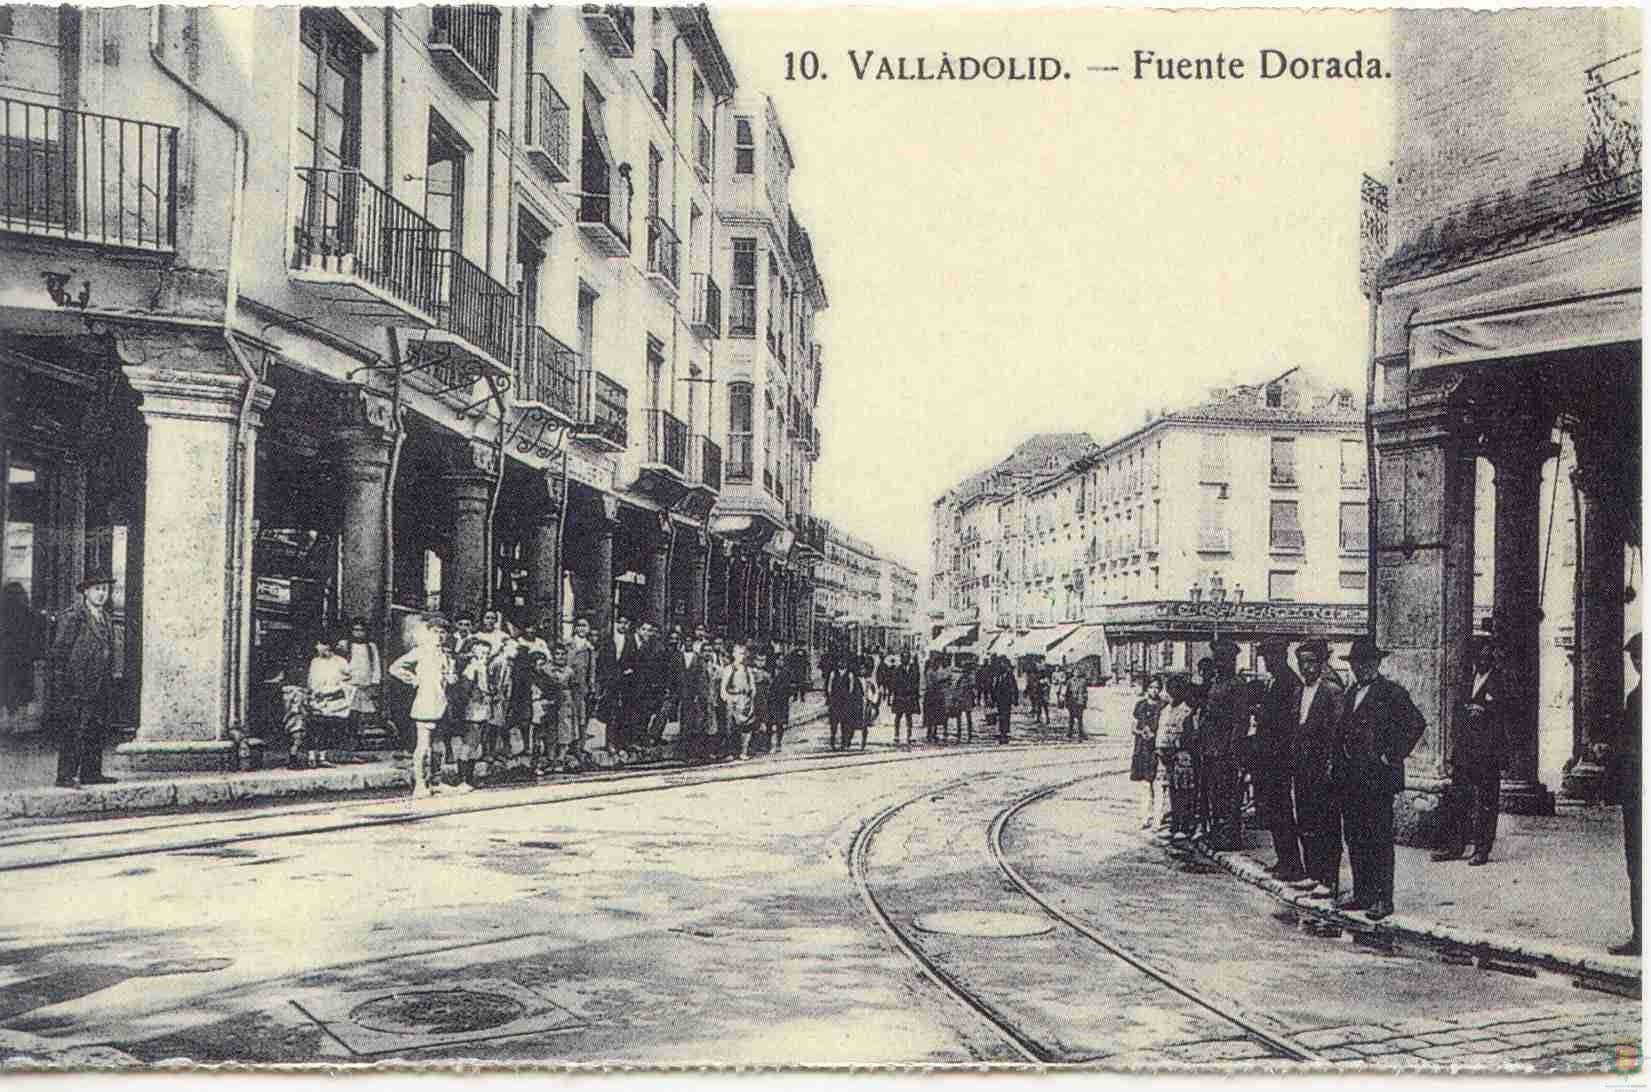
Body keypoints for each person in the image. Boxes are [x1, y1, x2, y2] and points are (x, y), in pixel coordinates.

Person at [1333, 637, 1428, 921]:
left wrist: (1392, 755)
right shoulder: (1350, 693)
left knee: (1379, 838)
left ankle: (1382, 899)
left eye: (1367, 663)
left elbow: (1416, 723)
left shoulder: (1392, 693)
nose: (1362, 668)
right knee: (1355, 836)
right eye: (1357, 664)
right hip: (1351, 778)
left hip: (1377, 778)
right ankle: (1362, 892)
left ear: (1377, 664)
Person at [1432, 630, 1507, 867]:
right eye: (1478, 656)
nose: (1482, 660)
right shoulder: (1467, 680)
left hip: (1488, 753)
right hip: (1465, 752)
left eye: (1487, 655)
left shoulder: (1501, 681)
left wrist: (1487, 712)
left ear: (1493, 657)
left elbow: (1512, 715)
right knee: (1459, 800)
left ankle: (1482, 849)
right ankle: (1455, 846)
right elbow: (1456, 714)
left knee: (1486, 801)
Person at [49, 569, 119, 788]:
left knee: (95, 728)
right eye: (97, 589)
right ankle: (66, 776)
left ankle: (91, 772)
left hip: (100, 685)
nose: (101, 594)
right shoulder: (73, 616)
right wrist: (62, 686)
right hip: (77, 685)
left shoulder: (105, 618)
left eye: (105, 590)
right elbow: (59, 653)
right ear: (86, 591)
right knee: (74, 729)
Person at [1287, 639, 1346, 901]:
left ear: (1322, 663)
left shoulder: (1331, 691)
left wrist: (1330, 764)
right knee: (1306, 819)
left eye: (1311, 662)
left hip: (1322, 767)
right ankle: (1313, 872)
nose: (1306, 668)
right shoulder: (1300, 691)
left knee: (1326, 823)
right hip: (1302, 765)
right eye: (1302, 663)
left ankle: (1328, 878)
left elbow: (1336, 732)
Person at [1254, 638, 1306, 882]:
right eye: (1265, 658)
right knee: (1274, 809)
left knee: (1282, 809)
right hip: (1269, 755)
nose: (1266, 662)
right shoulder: (1276, 680)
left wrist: (1264, 715)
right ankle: (1283, 859)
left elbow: (1289, 722)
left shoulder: (1289, 681)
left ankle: (1292, 864)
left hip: (1280, 756)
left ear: (1281, 656)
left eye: (1269, 657)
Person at [389, 614, 457, 798]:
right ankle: (420, 784)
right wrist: (413, 679)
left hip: (442, 703)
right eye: (436, 632)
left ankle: (436, 782)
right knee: (423, 746)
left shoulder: (446, 654)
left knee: (439, 746)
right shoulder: (420, 651)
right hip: (425, 702)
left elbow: (449, 675)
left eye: (443, 632)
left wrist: (451, 678)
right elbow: (395, 667)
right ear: (428, 633)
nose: (440, 636)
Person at [1606, 633, 1642, 956]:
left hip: (1638, 796)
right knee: (1637, 863)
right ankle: (1640, 933)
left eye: (1640, 658)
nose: (1639, 663)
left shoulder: (1636, 700)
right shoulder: (1634, 698)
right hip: (1636, 796)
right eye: (1635, 659)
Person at [1198, 639, 1251, 850]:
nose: (1219, 663)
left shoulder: (1237, 684)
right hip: (1211, 747)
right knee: (1215, 793)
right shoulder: (1217, 682)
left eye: (1223, 659)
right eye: (1217, 659)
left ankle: (1230, 836)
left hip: (1226, 749)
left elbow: (1241, 720)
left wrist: (1234, 749)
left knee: (1228, 794)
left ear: (1232, 660)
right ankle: (1218, 832)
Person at [1156, 674, 1199, 844]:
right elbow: (1161, 732)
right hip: (1168, 756)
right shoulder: (1166, 710)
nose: (1171, 694)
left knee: (1185, 791)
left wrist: (1178, 748)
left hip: (1182, 756)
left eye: (1175, 690)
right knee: (1173, 791)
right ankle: (1174, 824)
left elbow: (1191, 735)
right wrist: (1160, 749)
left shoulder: (1186, 711)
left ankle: (1184, 826)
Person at [305, 636, 353, 765]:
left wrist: (335, 690)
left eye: (320, 644)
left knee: (327, 727)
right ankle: (311, 756)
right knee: (313, 726)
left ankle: (322, 757)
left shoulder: (340, 662)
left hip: (333, 699)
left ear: (328, 646)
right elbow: (311, 681)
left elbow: (349, 680)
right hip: (317, 698)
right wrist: (314, 693)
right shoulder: (315, 661)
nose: (317, 647)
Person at [2, 581, 46, 715]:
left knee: (8, 686)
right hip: (23, 656)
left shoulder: (3, 612)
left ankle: (9, 715)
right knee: (23, 687)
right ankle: (20, 719)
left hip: (6, 656)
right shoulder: (28, 611)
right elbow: (39, 623)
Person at [338, 617, 383, 751]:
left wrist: (375, 681)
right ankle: (346, 739)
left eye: (362, 630)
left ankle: (358, 739)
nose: (358, 633)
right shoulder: (345, 644)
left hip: (364, 684)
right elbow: (338, 662)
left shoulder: (371, 647)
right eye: (356, 630)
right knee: (347, 712)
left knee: (360, 715)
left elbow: (376, 664)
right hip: (348, 684)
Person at [594, 615, 635, 757]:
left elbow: (633, 660)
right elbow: (601, 661)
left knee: (623, 713)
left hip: (625, 682)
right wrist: (603, 679)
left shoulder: (630, 640)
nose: (623, 625)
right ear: (615, 623)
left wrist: (629, 670)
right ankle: (610, 743)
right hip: (610, 681)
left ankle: (621, 743)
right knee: (610, 712)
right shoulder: (608, 639)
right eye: (620, 622)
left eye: (626, 623)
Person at [1131, 675, 1165, 829]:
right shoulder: (1140, 705)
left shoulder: (1163, 706)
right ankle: (1145, 816)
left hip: (1156, 749)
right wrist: (1141, 732)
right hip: (1142, 748)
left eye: (1157, 687)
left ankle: (1158, 818)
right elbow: (1134, 726)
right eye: (1151, 687)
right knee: (1145, 785)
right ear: (1146, 688)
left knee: (1158, 785)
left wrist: (1156, 735)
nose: (1154, 690)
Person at [721, 642, 761, 760]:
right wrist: (728, 698)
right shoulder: (729, 669)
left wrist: (751, 697)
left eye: (743, 653)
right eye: (739, 653)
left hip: (745, 700)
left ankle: (744, 751)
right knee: (731, 727)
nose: (742, 656)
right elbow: (723, 688)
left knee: (746, 727)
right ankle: (730, 752)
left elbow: (753, 686)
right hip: (733, 700)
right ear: (734, 654)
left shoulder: (747, 670)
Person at [826, 655, 862, 751]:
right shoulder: (833, 673)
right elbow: (829, 687)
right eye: (840, 661)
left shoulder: (850, 675)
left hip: (845, 702)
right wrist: (830, 697)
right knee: (834, 723)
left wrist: (849, 699)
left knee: (844, 723)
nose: (841, 663)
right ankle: (832, 742)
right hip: (835, 701)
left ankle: (843, 742)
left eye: (843, 662)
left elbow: (851, 688)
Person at [763, 648, 792, 754]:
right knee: (769, 723)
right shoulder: (769, 671)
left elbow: (790, 687)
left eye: (782, 660)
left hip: (782, 701)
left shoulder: (786, 672)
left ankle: (779, 743)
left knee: (780, 723)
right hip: (771, 701)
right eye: (778, 660)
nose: (780, 662)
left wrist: (787, 695)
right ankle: (768, 743)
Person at [891, 652, 921, 747]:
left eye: (907, 658)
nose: (905, 660)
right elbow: (894, 684)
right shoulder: (897, 670)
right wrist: (895, 695)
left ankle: (909, 735)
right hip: (900, 696)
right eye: (904, 658)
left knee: (909, 717)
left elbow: (916, 682)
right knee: (898, 716)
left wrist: (915, 694)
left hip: (909, 696)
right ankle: (896, 735)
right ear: (901, 659)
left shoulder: (913, 669)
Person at [991, 657, 1019, 744]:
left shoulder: (1010, 675)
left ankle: (1005, 732)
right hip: (999, 699)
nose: (1002, 665)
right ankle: (1002, 731)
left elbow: (1014, 687)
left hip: (1007, 698)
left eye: (1003, 664)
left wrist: (1015, 699)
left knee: (1006, 715)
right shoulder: (998, 675)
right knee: (1000, 715)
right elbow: (994, 687)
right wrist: (993, 698)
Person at [923, 656, 949, 744]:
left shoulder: (938, 672)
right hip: (931, 696)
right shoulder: (930, 672)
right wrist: (941, 682)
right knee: (930, 715)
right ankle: (929, 733)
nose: (938, 665)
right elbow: (931, 685)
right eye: (937, 663)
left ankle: (934, 733)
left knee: (937, 715)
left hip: (938, 696)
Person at [1064, 663, 1090, 740]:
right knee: (1071, 718)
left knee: (1080, 719)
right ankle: (1069, 733)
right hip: (1071, 702)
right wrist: (1066, 702)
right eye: (1075, 672)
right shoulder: (1070, 681)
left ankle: (1081, 733)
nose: (1076, 673)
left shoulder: (1083, 681)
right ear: (1073, 672)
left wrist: (1085, 702)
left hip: (1080, 702)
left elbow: (1085, 692)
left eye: (1078, 672)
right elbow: (1067, 693)